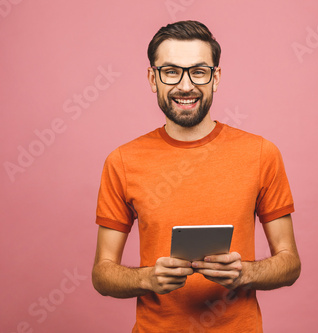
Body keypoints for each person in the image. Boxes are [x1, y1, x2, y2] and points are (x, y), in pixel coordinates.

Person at [92, 20, 301, 333]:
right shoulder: (122, 161)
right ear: (153, 78)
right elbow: (102, 273)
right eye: (171, 71)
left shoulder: (261, 154)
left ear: (215, 78)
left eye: (198, 71)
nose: (186, 85)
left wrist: (245, 273)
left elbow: (290, 263)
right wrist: (146, 278)